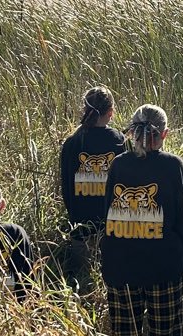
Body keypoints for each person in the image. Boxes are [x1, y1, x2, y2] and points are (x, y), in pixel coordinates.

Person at [100, 105, 183, 336]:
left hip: (121, 267)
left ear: (132, 132)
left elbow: (108, 215)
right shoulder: (173, 165)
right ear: (164, 134)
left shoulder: (119, 164)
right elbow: (182, 219)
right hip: (163, 268)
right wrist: (181, 262)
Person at [58, 86, 129, 295]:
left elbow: (66, 186)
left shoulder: (72, 143)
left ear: (85, 110)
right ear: (111, 112)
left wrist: (72, 215)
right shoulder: (118, 140)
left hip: (79, 222)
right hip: (111, 223)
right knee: (111, 275)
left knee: (80, 278)